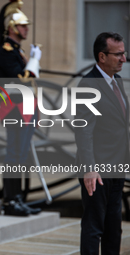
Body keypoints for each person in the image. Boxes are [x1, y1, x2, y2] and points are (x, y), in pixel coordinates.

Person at [75, 32, 129, 254]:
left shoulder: (116, 81)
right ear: (102, 56)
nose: (124, 58)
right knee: (94, 227)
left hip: (117, 167)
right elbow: (83, 131)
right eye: (118, 54)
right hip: (97, 170)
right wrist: (89, 168)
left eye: (124, 53)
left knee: (114, 229)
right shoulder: (87, 84)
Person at [0, 3, 42, 216]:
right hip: (14, 109)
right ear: (12, 27)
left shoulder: (16, 50)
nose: (26, 29)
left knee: (21, 155)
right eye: (22, 26)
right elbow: (20, 80)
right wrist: (34, 63)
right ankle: (10, 200)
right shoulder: (6, 50)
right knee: (14, 154)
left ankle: (17, 197)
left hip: (25, 108)